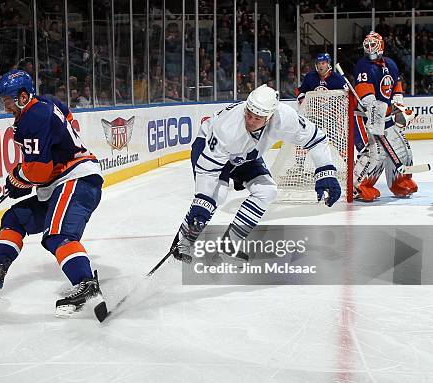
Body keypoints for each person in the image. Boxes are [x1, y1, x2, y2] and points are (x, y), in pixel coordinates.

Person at [0, 70, 106, 318]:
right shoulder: (46, 103)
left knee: (58, 235)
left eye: (7, 100)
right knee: (14, 218)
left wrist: (17, 177)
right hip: (60, 182)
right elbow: (69, 119)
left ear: (22, 96)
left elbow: (40, 172)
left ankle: (87, 285)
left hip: (76, 179)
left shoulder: (32, 119)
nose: (5, 107)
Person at [170, 84, 341, 263]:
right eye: (248, 114)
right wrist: (202, 201)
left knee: (267, 191)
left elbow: (317, 139)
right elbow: (208, 170)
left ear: (270, 117)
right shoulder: (227, 128)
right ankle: (182, 243)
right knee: (216, 195)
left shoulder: (285, 118)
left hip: (245, 153)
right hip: (209, 146)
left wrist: (326, 171)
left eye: (257, 118)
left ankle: (230, 244)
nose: (250, 121)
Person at [352, 31, 417, 201]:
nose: (369, 48)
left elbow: (396, 86)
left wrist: (397, 105)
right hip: (367, 118)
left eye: (372, 44)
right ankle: (358, 185)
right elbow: (367, 97)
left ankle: (399, 182)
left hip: (386, 118)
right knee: (377, 154)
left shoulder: (390, 63)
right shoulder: (363, 65)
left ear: (380, 45)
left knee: (402, 150)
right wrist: (375, 112)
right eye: (367, 45)